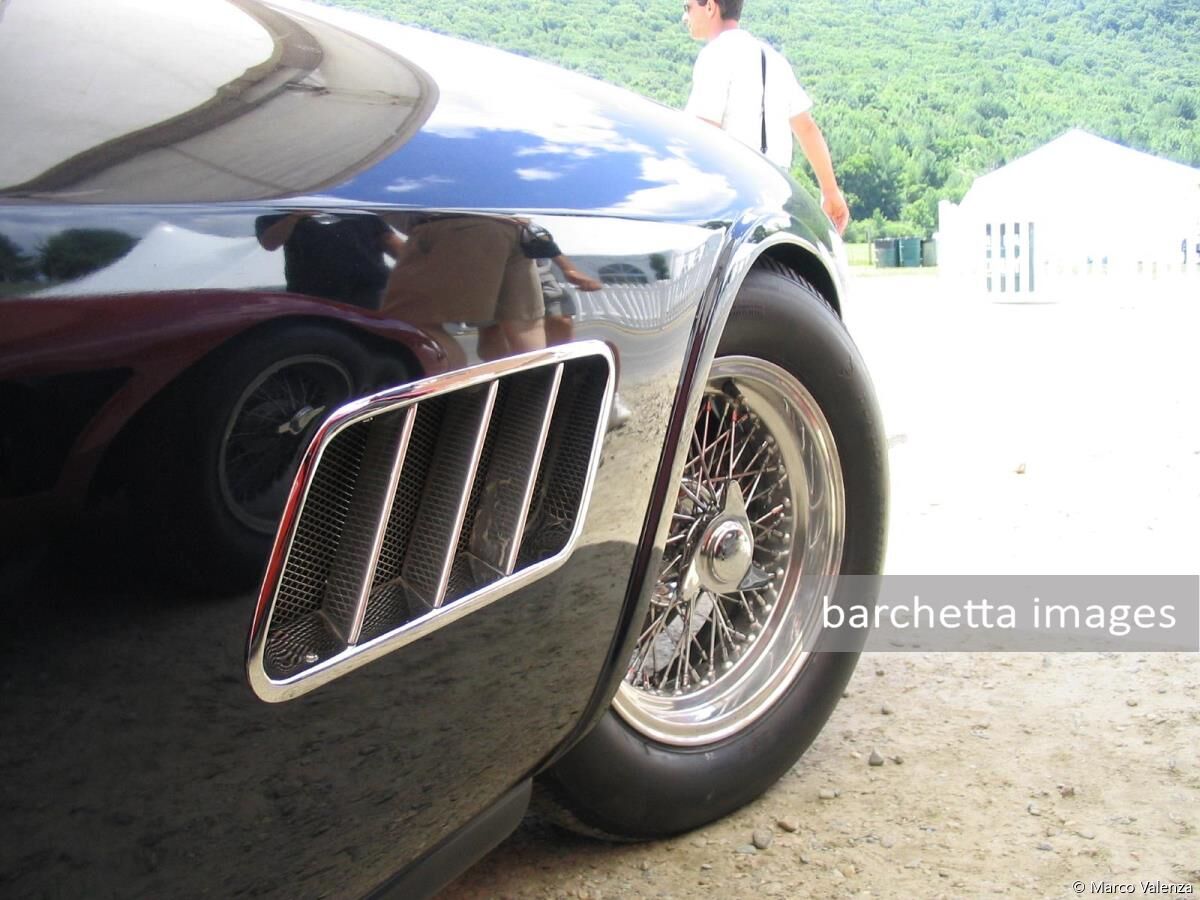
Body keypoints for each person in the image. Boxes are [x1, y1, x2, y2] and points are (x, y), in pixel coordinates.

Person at [682, 0, 850, 234]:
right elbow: (806, 128)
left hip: (732, 195)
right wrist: (830, 191)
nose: (685, 17)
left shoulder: (715, 54)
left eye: (688, 7)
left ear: (710, 7)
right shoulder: (775, 59)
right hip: (777, 197)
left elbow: (703, 133)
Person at [255, 212, 406, 309]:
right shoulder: (277, 211)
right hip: (314, 298)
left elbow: (391, 243)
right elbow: (269, 243)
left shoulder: (358, 210)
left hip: (371, 293)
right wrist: (295, 216)